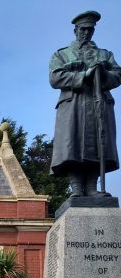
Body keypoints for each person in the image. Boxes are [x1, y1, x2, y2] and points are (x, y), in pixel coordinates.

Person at [50, 11, 121, 196]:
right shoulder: (62, 54)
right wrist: (83, 76)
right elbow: (55, 78)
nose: (86, 33)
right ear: (76, 29)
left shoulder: (104, 54)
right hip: (73, 105)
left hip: (98, 102)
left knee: (98, 145)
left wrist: (104, 74)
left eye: (90, 30)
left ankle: (92, 188)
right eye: (83, 29)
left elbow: (118, 75)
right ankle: (75, 188)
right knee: (72, 146)